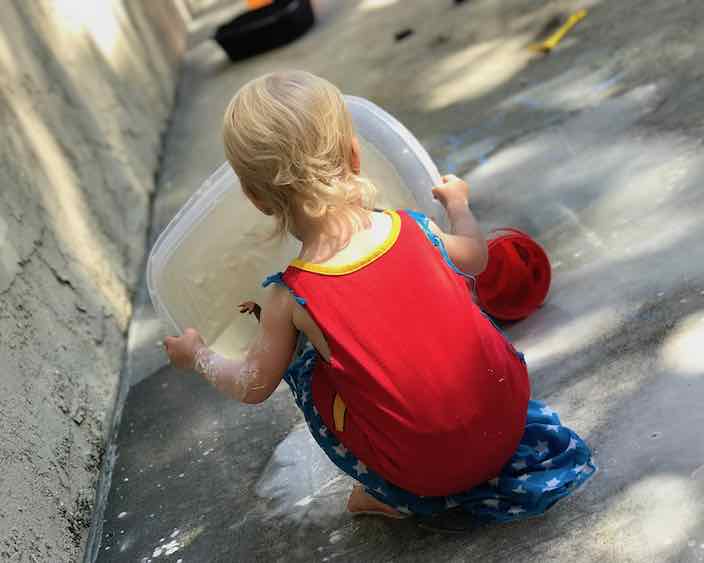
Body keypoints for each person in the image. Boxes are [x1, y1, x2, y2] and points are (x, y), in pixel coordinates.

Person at [164, 70, 595, 521]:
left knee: (306, 364)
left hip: (427, 473)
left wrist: (197, 355)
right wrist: (458, 205)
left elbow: (253, 384)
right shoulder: (413, 226)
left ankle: (388, 494)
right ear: (354, 155)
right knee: (439, 295)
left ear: (255, 199)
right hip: (509, 423)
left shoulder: (289, 297)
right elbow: (476, 257)